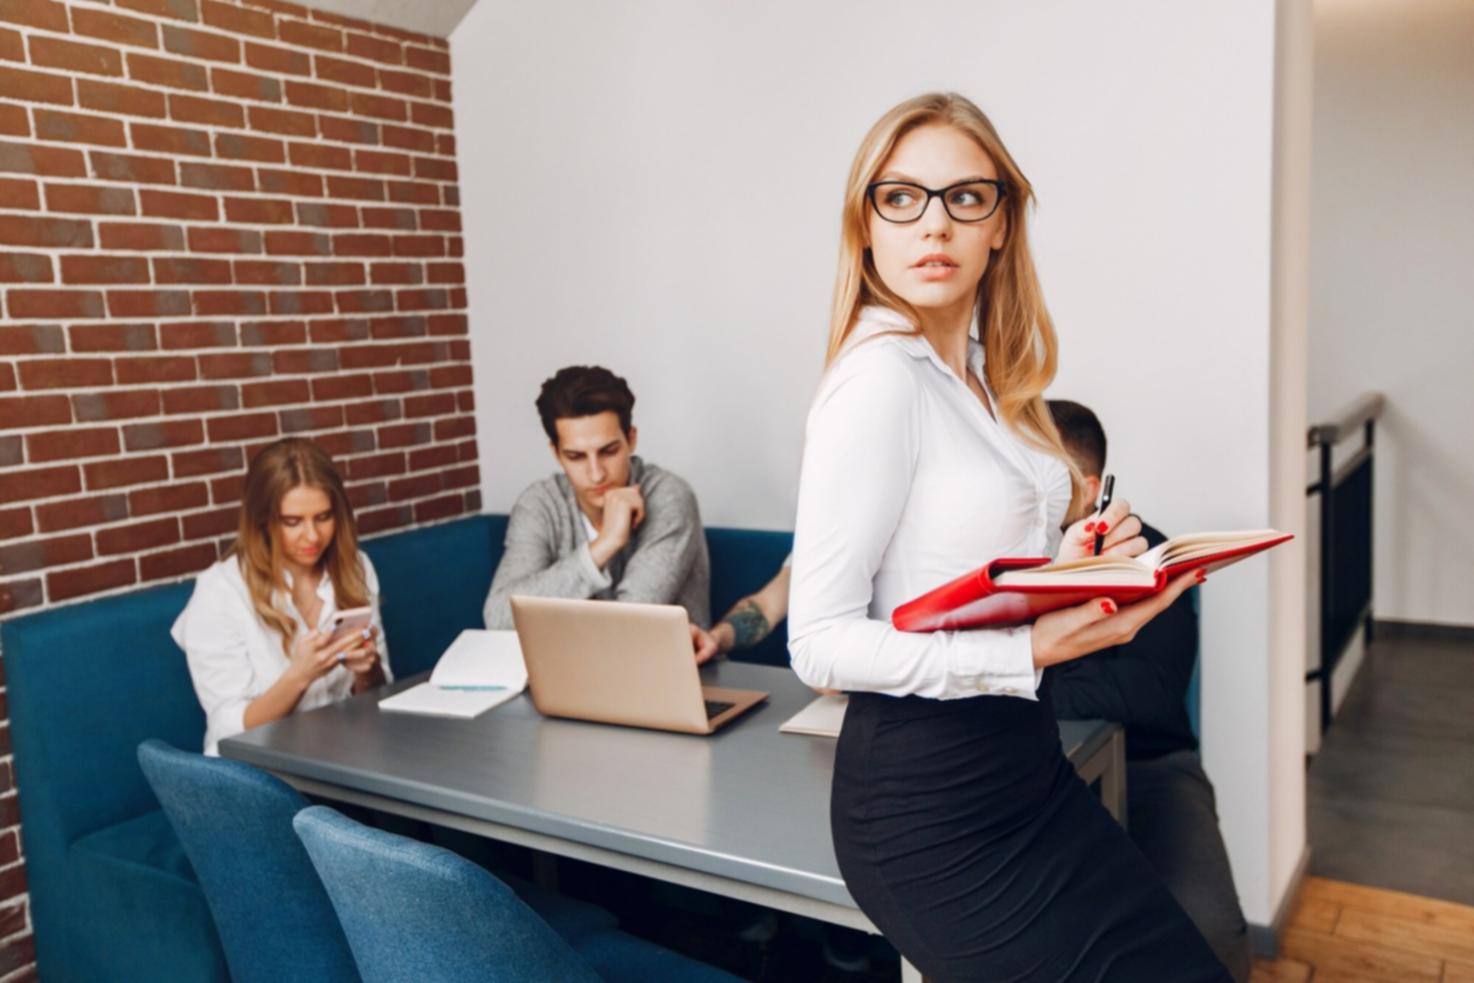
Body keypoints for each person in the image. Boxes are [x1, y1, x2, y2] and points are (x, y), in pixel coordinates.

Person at [787, 92, 1231, 980]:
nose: (934, 223)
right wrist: (1028, 645)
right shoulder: (879, 381)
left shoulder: (988, 378)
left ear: (1001, 223)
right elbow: (820, 643)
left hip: (1021, 770)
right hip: (927, 808)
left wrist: (1070, 567)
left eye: (965, 196)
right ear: (865, 225)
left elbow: (962, 567)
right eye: (900, 197)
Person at [1047, 399, 1253, 982]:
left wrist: (1027, 673)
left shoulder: (1151, 556)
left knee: (1210, 931)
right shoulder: (1006, 557)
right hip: (1036, 773)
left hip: (1151, 767)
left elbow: (1151, 693)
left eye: (1040, 471)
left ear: (1089, 489)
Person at [172, 438, 391, 756]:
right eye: (292, 522)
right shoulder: (221, 591)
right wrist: (299, 677)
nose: (312, 536)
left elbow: (379, 696)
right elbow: (229, 730)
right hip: (255, 771)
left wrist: (367, 670)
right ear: (263, 519)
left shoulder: (356, 567)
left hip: (342, 757)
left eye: (323, 517)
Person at [483, 365, 714, 659]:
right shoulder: (539, 503)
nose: (596, 474)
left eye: (608, 451)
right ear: (556, 453)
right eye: (576, 456)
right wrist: (603, 546)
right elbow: (499, 618)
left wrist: (550, 619)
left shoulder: (669, 497)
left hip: (672, 677)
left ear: (631, 439)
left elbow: (628, 624)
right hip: (570, 679)